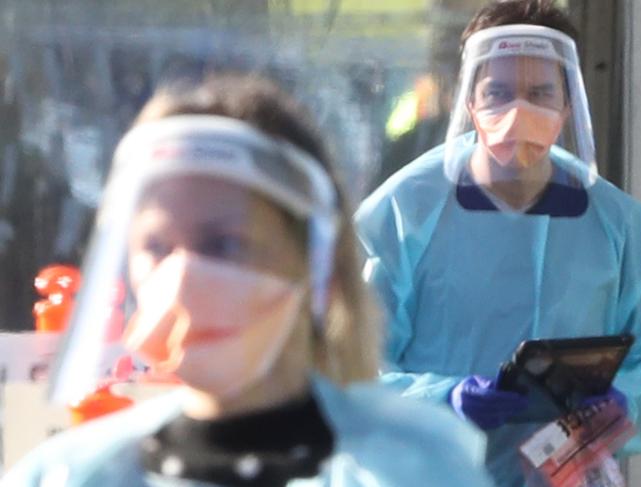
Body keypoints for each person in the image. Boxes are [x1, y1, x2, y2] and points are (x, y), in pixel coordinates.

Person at [2, 74, 494, 487]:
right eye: (156, 246)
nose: (183, 276)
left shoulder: (415, 473)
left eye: (224, 244)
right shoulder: (68, 475)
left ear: (317, 270)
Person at [355, 1, 641, 485]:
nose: (518, 112)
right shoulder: (405, 214)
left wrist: (626, 399)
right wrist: (443, 399)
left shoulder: (619, 226)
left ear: (568, 102)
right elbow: (351, 369)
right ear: (469, 101)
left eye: (539, 93)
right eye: (498, 92)